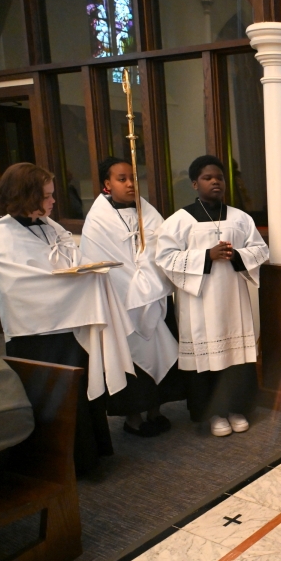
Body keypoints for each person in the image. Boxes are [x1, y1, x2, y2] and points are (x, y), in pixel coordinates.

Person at [0, 162, 135, 474]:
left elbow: (73, 260)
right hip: (36, 333)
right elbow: (17, 286)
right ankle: (59, 466)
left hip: (70, 322)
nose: (54, 201)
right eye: (47, 196)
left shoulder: (49, 225)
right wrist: (77, 282)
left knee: (76, 391)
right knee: (51, 397)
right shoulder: (1, 233)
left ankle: (89, 456)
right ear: (25, 195)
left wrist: (89, 270)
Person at [155, 155, 269, 437]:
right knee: (206, 360)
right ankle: (214, 413)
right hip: (199, 303)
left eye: (219, 177)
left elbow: (260, 250)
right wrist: (207, 255)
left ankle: (236, 409)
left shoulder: (240, 218)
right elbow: (165, 258)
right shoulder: (179, 221)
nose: (215, 182)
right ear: (195, 184)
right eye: (207, 178)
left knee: (234, 358)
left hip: (232, 300)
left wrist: (237, 255)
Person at [82, 157, 182, 437]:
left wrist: (147, 276)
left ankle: (155, 410)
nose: (130, 184)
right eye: (122, 179)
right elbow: (96, 260)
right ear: (107, 184)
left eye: (133, 178)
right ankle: (133, 417)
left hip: (153, 293)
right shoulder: (97, 220)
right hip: (121, 300)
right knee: (129, 357)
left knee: (161, 349)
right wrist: (131, 283)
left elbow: (164, 247)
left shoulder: (148, 212)